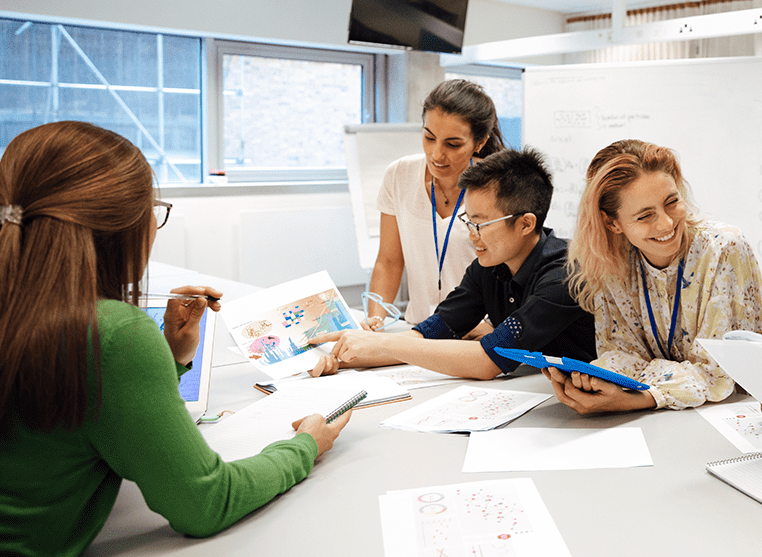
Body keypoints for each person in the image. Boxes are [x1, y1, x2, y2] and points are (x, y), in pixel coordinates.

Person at [0, 122, 350, 556]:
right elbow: (205, 503)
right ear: (120, 225)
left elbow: (63, 414)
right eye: (153, 207)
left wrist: (170, 356)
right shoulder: (111, 333)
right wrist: (304, 447)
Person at [309, 147, 595, 378]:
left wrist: (381, 342)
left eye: (480, 224)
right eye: (468, 221)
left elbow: (488, 360)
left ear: (525, 224)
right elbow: (428, 334)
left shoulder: (565, 274)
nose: (471, 235)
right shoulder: (489, 266)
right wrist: (346, 355)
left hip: (600, 410)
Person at [545, 139, 762, 414]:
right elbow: (623, 356)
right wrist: (592, 380)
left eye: (672, 202)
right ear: (612, 223)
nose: (666, 223)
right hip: (659, 418)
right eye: (644, 216)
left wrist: (637, 397)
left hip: (737, 416)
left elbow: (716, 373)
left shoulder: (723, 249)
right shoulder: (613, 262)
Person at [366, 79, 505, 330]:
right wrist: (375, 321)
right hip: (417, 330)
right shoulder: (399, 175)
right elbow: (388, 262)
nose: (437, 155)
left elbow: (510, 273)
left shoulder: (499, 187)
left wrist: (491, 326)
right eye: (429, 138)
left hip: (476, 334)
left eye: (453, 144)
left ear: (480, 142)